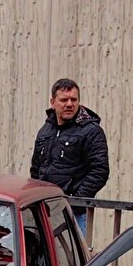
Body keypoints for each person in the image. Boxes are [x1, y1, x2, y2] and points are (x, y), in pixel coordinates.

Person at [30, 78, 109, 233]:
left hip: (72, 214)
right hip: (44, 210)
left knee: (71, 256)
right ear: (53, 102)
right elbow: (36, 168)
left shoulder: (91, 131)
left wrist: (74, 200)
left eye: (74, 99)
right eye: (64, 100)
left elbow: (100, 170)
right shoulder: (45, 131)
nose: (69, 104)